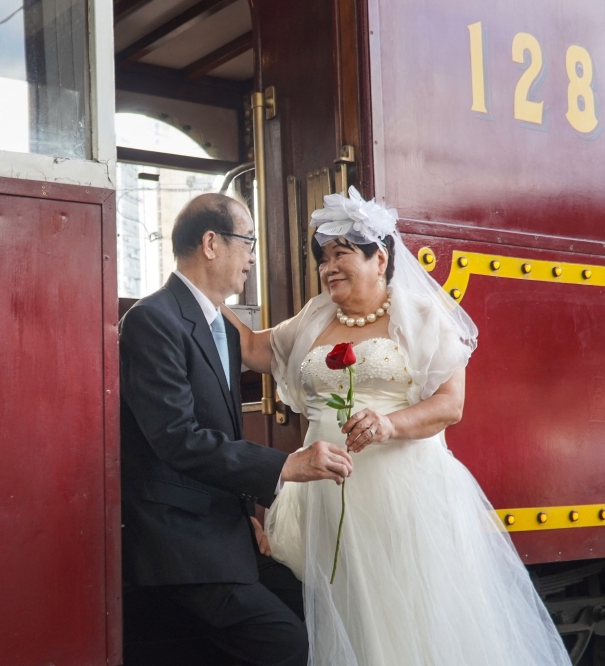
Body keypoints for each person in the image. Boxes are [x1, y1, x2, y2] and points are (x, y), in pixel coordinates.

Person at [222, 187, 570, 665]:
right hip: (325, 493)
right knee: (343, 613)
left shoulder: (424, 317)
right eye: (323, 258)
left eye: (341, 254)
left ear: (380, 258)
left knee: (406, 616)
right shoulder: (315, 316)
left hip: (401, 496)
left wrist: (388, 424)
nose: (328, 268)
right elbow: (257, 349)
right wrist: (200, 289)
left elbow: (450, 405)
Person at [119, 193, 354, 666]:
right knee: (289, 644)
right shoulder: (152, 320)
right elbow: (177, 437)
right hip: (179, 545)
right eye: (247, 242)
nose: (251, 256)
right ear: (211, 243)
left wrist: (246, 516)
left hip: (223, 533)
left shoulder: (220, 328)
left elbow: (219, 432)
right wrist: (287, 464)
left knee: (324, 615)